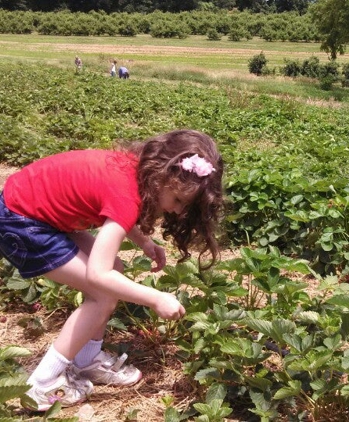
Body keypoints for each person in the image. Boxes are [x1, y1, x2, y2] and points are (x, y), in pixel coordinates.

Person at [0, 129, 225, 411]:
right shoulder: (126, 195)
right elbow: (98, 273)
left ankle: (87, 359)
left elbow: (112, 213)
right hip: (23, 220)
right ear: (162, 176)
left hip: (35, 208)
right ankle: (41, 385)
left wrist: (143, 241)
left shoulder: (134, 172)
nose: (178, 212)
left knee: (114, 268)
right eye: (178, 200)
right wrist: (155, 298)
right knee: (104, 292)